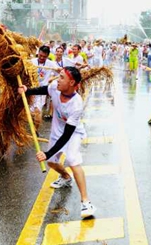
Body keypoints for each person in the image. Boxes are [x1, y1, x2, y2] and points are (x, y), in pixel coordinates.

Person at [19, 67, 95, 219]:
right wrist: (27, 90)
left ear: (72, 82)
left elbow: (67, 136)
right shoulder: (55, 87)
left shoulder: (77, 104)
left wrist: (47, 152)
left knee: (73, 159)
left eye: (61, 77)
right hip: (56, 129)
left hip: (72, 133)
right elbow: (44, 89)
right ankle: (66, 177)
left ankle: (86, 202)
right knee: (52, 163)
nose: (57, 80)